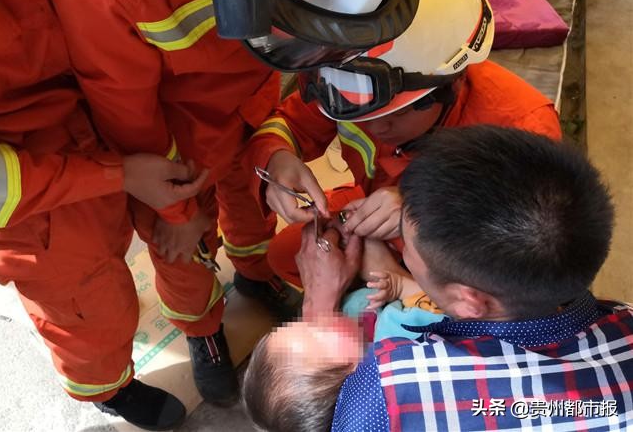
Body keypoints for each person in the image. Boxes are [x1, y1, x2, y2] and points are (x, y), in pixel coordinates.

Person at [25, 0, 432, 418]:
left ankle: (252, 274)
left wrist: (269, 152)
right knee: (186, 249)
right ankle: (203, 329)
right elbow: (133, 130)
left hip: (242, 111)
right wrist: (180, 215)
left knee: (250, 207)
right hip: (170, 151)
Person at [0, 0, 212, 430]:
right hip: (31, 195)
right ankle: (109, 387)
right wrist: (115, 176)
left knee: (181, 234)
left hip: (112, 111)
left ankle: (203, 325)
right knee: (91, 311)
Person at [242, 125, 633, 432]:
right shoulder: (623, 320)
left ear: (470, 302)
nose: (400, 248)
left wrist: (319, 304)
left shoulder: (387, 392)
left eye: (407, 252)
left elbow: (309, 405)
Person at [245, 0, 562, 289]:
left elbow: (520, 258)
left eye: (390, 115)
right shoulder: (348, 82)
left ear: (448, 84)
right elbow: (286, 124)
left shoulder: (524, 132)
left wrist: (420, 216)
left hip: (452, 254)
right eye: (354, 109)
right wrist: (276, 158)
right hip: (368, 215)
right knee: (286, 256)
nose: (369, 125)